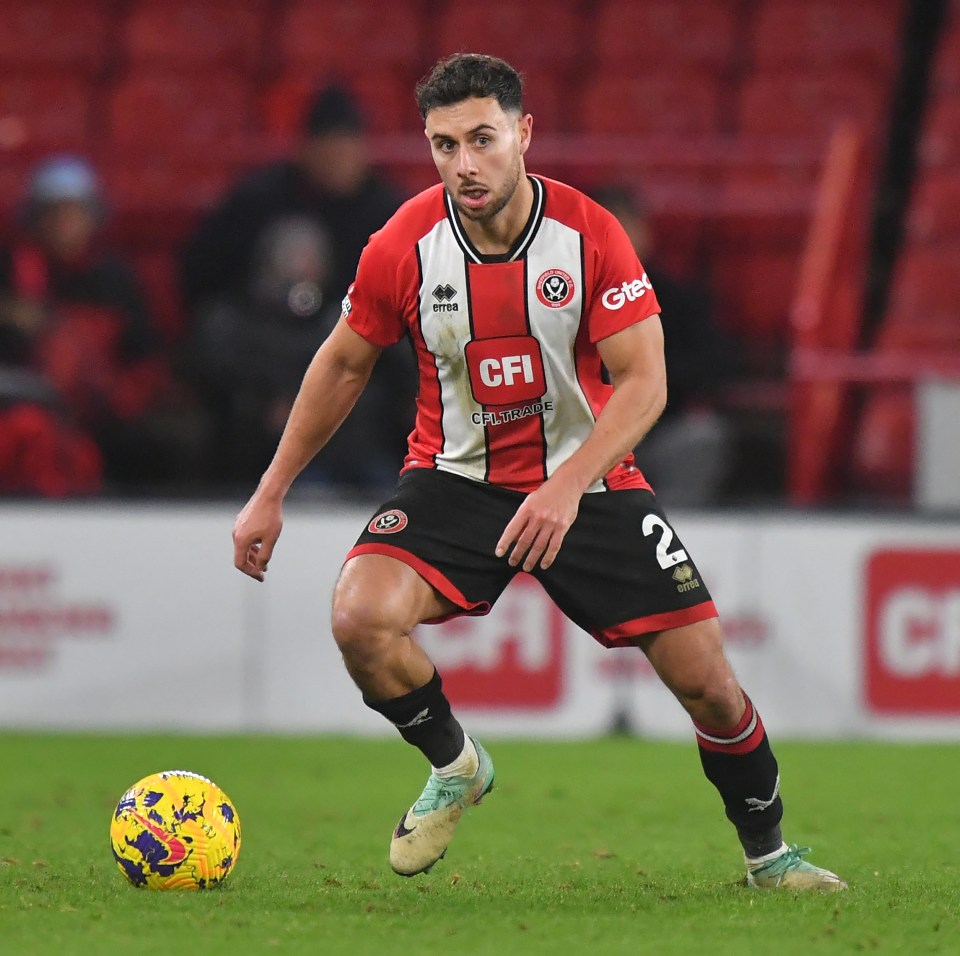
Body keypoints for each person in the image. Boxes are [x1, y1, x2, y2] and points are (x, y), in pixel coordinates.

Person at [232, 54, 846, 891]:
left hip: (589, 483)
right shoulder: (404, 244)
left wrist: (565, 487)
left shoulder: (589, 234)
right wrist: (270, 493)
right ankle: (456, 764)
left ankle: (770, 858)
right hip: (455, 480)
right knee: (359, 620)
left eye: (482, 139)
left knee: (708, 685)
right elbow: (342, 364)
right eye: (444, 145)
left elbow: (646, 383)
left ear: (523, 134)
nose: (464, 165)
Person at [0, 155, 202, 490]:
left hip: (99, 409)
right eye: (54, 214)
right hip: (27, 406)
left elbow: (142, 355)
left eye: (74, 213)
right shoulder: (12, 272)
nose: (65, 224)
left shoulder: (116, 281)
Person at [182, 214, 414, 491]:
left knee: (394, 492)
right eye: (292, 256)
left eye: (311, 257)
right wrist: (266, 408)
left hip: (361, 451)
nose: (304, 268)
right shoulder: (238, 324)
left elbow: (394, 372)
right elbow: (222, 380)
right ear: (269, 262)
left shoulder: (346, 318)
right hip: (276, 460)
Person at [180, 84, 404, 320]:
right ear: (305, 150)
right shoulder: (259, 198)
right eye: (329, 151)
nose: (338, 163)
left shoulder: (387, 212)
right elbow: (203, 269)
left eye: (346, 153)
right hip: (264, 329)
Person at [591, 183, 736, 508]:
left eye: (626, 226)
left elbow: (713, 364)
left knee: (701, 438)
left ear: (645, 232)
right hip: (587, 437)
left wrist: (643, 379)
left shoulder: (677, 299)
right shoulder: (557, 301)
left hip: (661, 428)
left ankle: (664, 543)